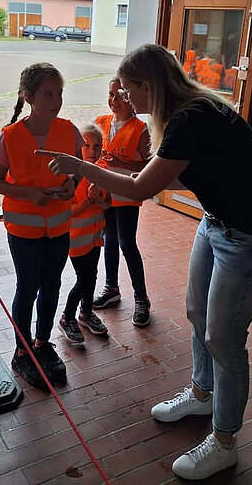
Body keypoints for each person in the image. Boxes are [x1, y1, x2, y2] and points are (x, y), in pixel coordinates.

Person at [37, 44, 252, 480]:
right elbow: (174, 174)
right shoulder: (189, 114)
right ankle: (201, 391)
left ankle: (225, 440)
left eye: (126, 88)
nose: (123, 96)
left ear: (146, 85)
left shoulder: (191, 118)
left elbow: (140, 190)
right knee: (197, 313)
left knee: (224, 339)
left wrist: (81, 168)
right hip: (218, 222)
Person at [0, 62, 84, 391]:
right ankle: (22, 348)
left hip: (58, 227)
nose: (56, 101)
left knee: (52, 284)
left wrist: (72, 182)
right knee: (28, 287)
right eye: (48, 94)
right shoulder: (10, 136)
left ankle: (42, 343)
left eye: (59, 93)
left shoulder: (68, 130)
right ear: (29, 97)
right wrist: (28, 193)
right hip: (24, 230)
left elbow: (79, 168)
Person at [93, 78, 151, 327]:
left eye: (119, 95)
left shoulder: (141, 128)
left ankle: (141, 298)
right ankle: (111, 288)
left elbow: (148, 166)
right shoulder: (100, 122)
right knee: (110, 240)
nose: (113, 100)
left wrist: (120, 164)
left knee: (127, 243)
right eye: (110, 95)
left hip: (127, 192)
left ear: (130, 98)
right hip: (105, 193)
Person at [58, 123, 109, 345]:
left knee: (92, 275)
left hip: (96, 236)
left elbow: (108, 202)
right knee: (84, 278)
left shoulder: (101, 173)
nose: (94, 151)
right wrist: (87, 201)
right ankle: (67, 317)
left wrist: (100, 201)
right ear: (78, 148)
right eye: (88, 146)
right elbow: (67, 212)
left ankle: (85, 313)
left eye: (98, 146)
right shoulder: (72, 177)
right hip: (77, 239)